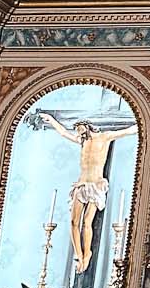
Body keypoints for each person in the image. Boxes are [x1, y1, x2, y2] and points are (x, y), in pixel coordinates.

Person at [31, 108, 136, 276]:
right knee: (74, 222)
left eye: (80, 130)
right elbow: (64, 133)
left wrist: (142, 122)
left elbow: (128, 131)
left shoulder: (105, 137)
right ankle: (79, 255)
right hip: (81, 185)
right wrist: (51, 119)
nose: (78, 134)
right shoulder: (82, 141)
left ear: (88, 127)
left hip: (95, 185)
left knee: (87, 222)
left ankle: (87, 254)